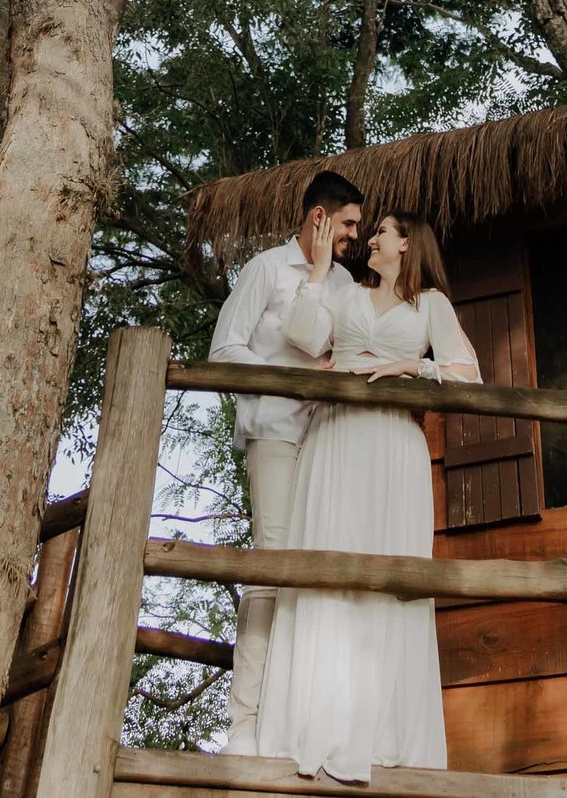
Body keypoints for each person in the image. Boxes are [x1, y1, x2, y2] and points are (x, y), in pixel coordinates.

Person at [255, 210, 481, 783]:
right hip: (336, 441)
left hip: (394, 448)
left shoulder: (431, 305)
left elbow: (468, 376)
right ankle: (313, 722)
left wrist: (415, 365)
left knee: (389, 577)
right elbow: (304, 335)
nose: (371, 240)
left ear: (406, 244)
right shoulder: (347, 294)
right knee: (328, 565)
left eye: (381, 231)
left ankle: (382, 734)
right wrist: (322, 267)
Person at [209, 171, 365, 756]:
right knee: (271, 569)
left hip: (329, 436)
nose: (355, 233)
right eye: (348, 223)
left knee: (318, 571)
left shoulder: (346, 280)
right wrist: (295, 381)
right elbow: (224, 349)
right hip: (274, 431)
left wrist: (325, 279)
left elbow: (333, 346)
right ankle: (245, 726)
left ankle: (299, 722)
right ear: (319, 218)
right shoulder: (265, 269)